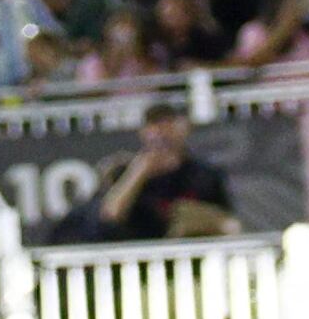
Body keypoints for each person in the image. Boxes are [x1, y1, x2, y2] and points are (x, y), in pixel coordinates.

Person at [85, 104, 232, 242]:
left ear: (183, 128)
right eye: (154, 124)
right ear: (143, 132)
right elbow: (110, 216)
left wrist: (200, 219)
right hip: (137, 254)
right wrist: (139, 173)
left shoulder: (205, 174)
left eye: (168, 123)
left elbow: (228, 223)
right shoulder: (122, 172)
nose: (161, 131)